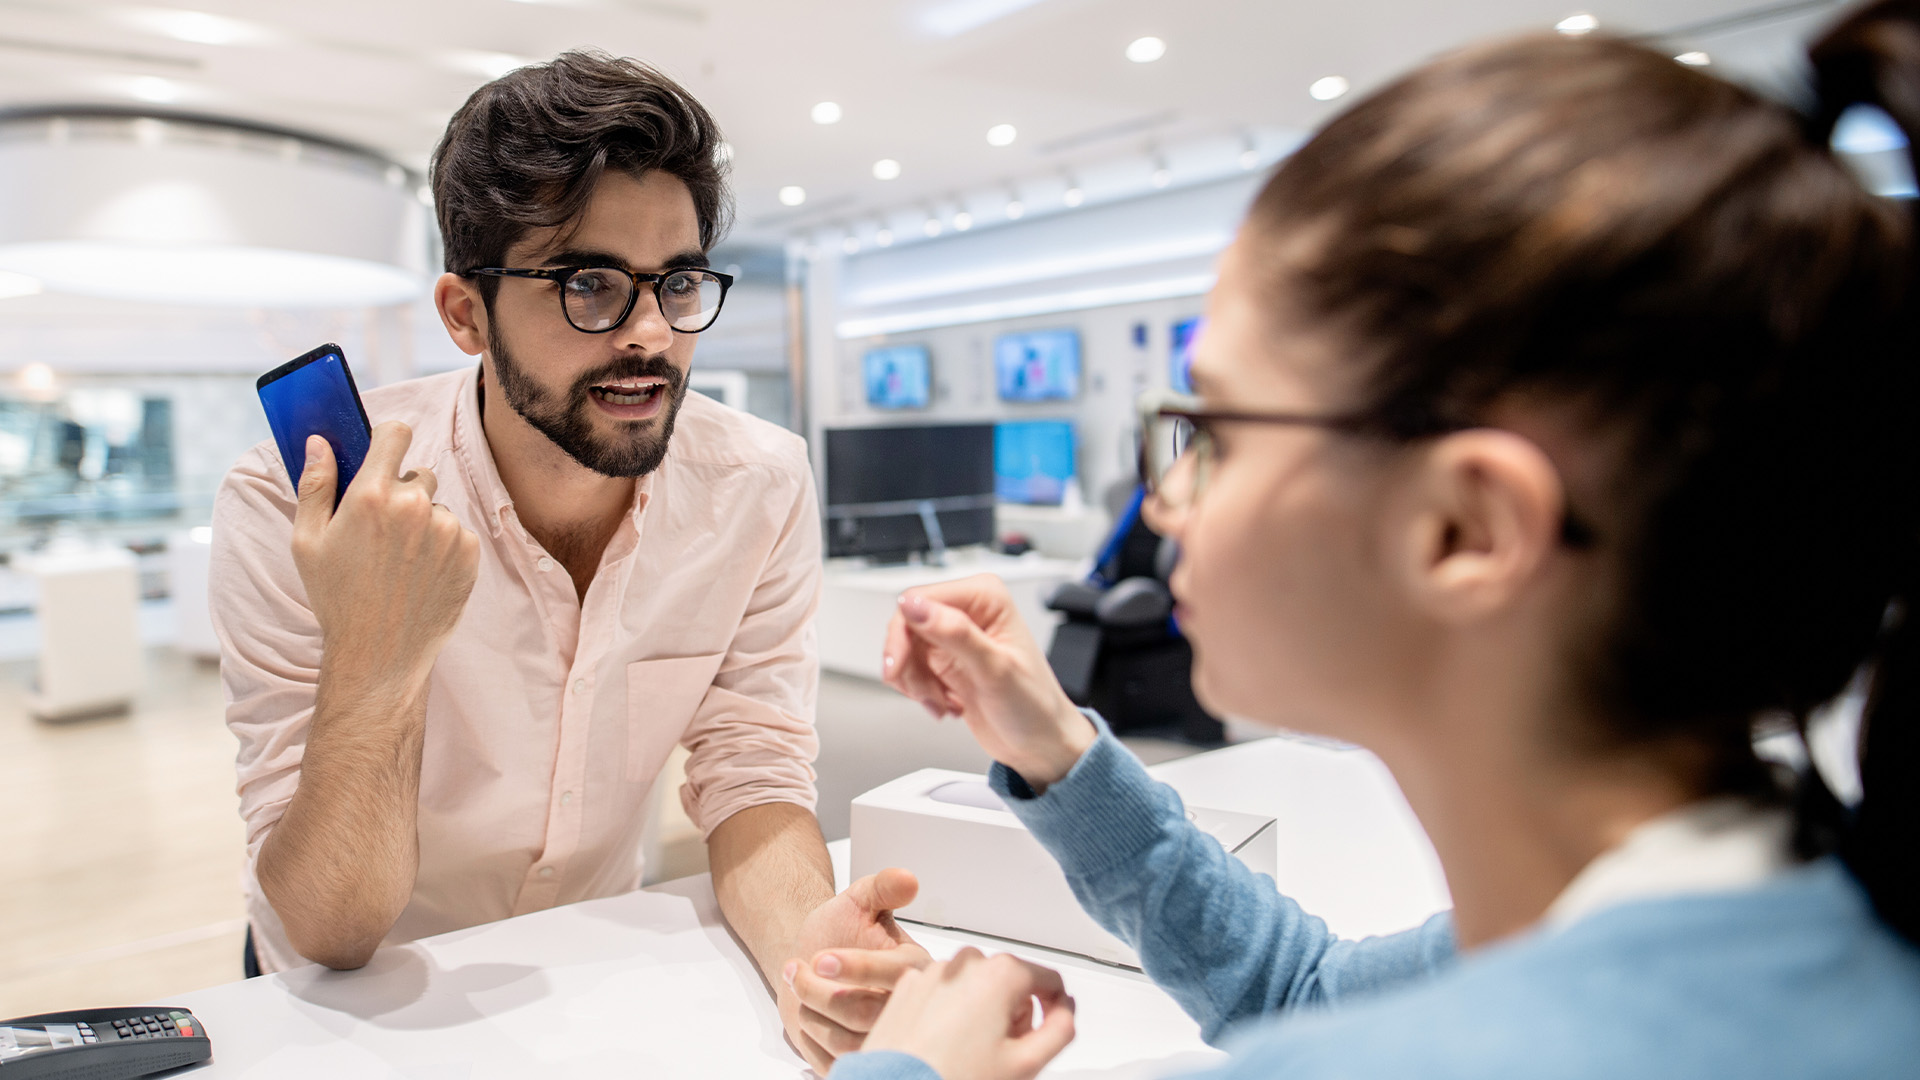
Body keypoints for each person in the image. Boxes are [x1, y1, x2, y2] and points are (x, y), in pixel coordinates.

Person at [820, 5, 1920, 1078]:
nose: (1165, 504)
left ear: (1462, 530)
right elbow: (1303, 997)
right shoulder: (1772, 916)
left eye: (1216, 431)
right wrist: (1054, 744)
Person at [208, 52, 923, 1072]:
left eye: (676, 282)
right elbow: (332, 926)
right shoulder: (300, 502)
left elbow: (752, 771)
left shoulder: (758, 486)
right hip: (340, 1007)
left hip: (588, 977)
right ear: (465, 313)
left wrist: (810, 941)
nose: (650, 336)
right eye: (589, 284)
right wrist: (382, 647)